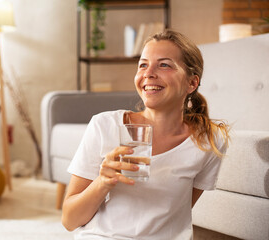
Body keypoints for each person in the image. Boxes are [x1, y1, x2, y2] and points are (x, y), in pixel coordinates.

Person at [61, 29, 230, 239]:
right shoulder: (104, 125)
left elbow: (177, 215)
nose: (148, 73)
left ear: (192, 83)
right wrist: (102, 182)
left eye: (164, 64)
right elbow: (70, 221)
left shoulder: (208, 141)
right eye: (143, 64)